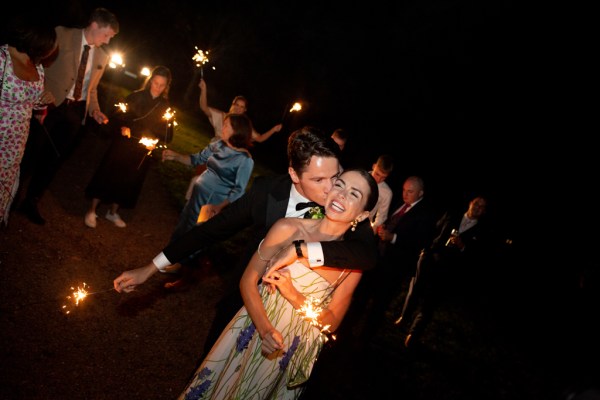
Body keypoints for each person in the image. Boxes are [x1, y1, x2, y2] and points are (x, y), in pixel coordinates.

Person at [113, 126, 378, 355]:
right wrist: (150, 268)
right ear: (294, 175)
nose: (333, 189)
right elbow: (209, 231)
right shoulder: (266, 192)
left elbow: (369, 255)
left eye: (335, 176)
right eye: (319, 180)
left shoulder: (348, 210)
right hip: (244, 300)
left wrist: (302, 249)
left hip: (297, 323)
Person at [117, 169, 380, 399]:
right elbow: (247, 278)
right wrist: (265, 330)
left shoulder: (354, 263)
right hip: (252, 328)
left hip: (292, 349)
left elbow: (332, 321)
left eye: (354, 194)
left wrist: (292, 294)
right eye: (340, 184)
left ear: (364, 214)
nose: (342, 195)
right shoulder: (288, 227)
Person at [17, 7, 119, 225]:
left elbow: (92, 89)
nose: (108, 41)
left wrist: (95, 110)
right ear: (94, 25)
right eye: (107, 35)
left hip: (75, 113)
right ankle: (12, 196)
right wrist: (39, 98)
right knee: (31, 152)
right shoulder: (62, 35)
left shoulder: (102, 56)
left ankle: (32, 201)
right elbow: (37, 65)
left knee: (53, 160)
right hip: (50, 105)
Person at [161, 112, 254, 285]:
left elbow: (238, 191)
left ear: (237, 131)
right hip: (196, 197)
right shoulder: (218, 144)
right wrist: (176, 156)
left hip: (211, 205)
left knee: (196, 237)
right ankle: (175, 261)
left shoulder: (245, 160)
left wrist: (219, 207)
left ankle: (184, 276)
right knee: (183, 227)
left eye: (227, 125)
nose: (223, 128)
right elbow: (196, 159)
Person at [83, 65, 174, 228]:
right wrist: (123, 126)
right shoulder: (136, 97)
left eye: (162, 85)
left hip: (142, 150)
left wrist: (156, 142)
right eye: (155, 83)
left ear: (166, 86)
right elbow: (119, 114)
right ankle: (92, 210)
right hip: (123, 145)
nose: (158, 88)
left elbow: (167, 133)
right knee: (108, 173)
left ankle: (112, 212)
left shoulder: (166, 107)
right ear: (150, 81)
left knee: (129, 180)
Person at [399, 195, 495, 348]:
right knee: (415, 289)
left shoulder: (481, 232)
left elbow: (478, 258)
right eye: (477, 204)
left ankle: (414, 333)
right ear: (470, 203)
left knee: (430, 303)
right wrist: (425, 249)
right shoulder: (452, 215)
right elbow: (433, 230)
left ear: (484, 212)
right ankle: (404, 316)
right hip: (429, 259)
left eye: (482, 207)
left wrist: (463, 246)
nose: (478, 208)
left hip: (449, 271)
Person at [352, 175, 438, 343]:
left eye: (410, 192)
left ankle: (364, 340)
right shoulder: (401, 204)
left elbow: (420, 242)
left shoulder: (425, 214)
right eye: (404, 190)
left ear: (420, 193)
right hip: (378, 260)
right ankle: (347, 329)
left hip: (394, 267)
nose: (405, 195)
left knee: (379, 305)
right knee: (361, 296)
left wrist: (393, 238)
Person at [0, 23, 58, 226]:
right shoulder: (2, 58)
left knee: (4, 189)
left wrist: (41, 99)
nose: (49, 52)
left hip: (16, 142)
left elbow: (30, 101)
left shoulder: (38, 67)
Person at [368, 154, 394, 234]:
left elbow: (382, 216)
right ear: (374, 166)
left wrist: (372, 231)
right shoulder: (359, 177)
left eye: (383, 177)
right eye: (377, 174)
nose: (379, 179)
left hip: (363, 224)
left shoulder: (387, 193)